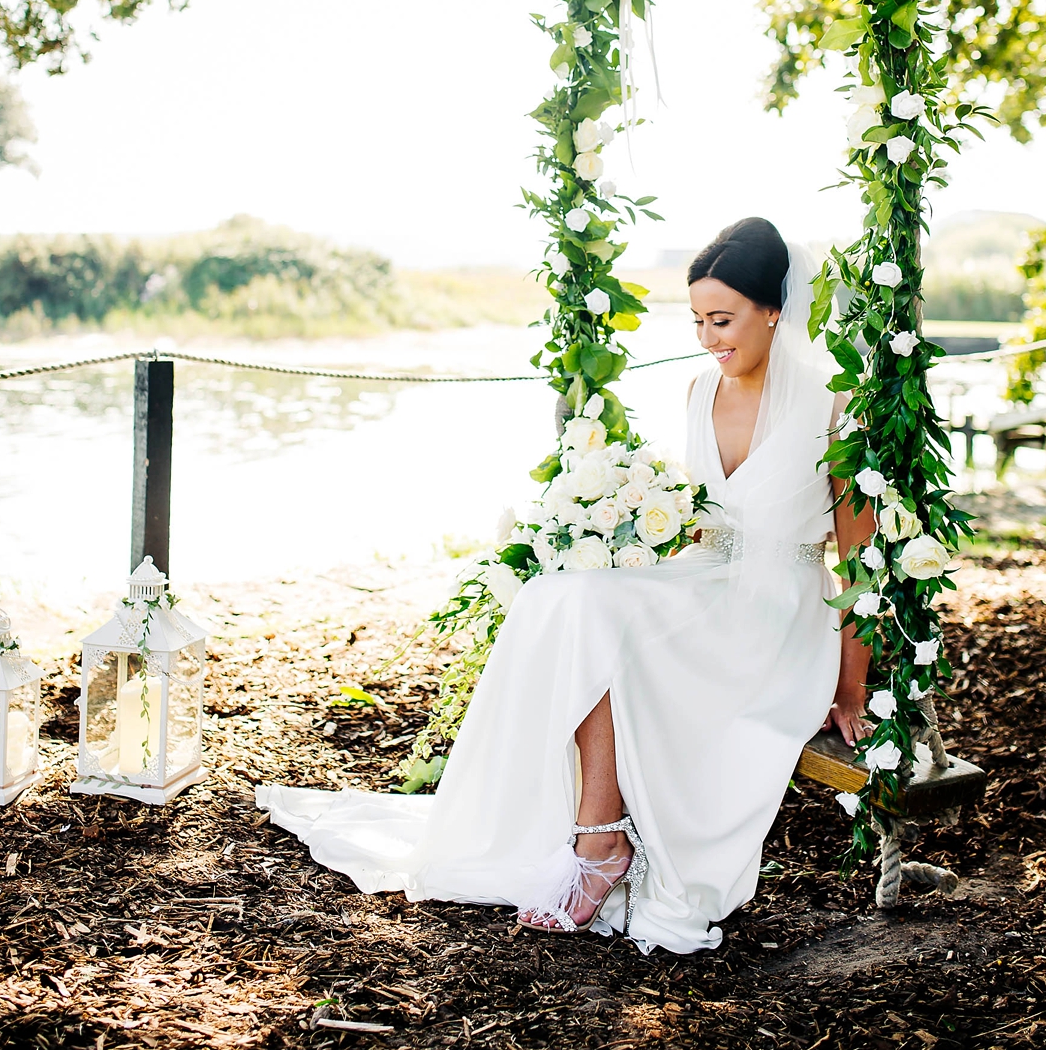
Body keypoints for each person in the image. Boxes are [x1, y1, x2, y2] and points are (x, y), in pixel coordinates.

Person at [258, 217, 874, 955]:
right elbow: (701, 523)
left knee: (589, 611)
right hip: (700, 580)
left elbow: (858, 564)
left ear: (774, 310)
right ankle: (598, 837)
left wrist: (851, 690)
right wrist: (623, 536)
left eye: (724, 319)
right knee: (564, 596)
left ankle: (599, 847)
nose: (710, 338)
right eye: (699, 321)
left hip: (777, 614)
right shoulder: (694, 392)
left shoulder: (837, 408)